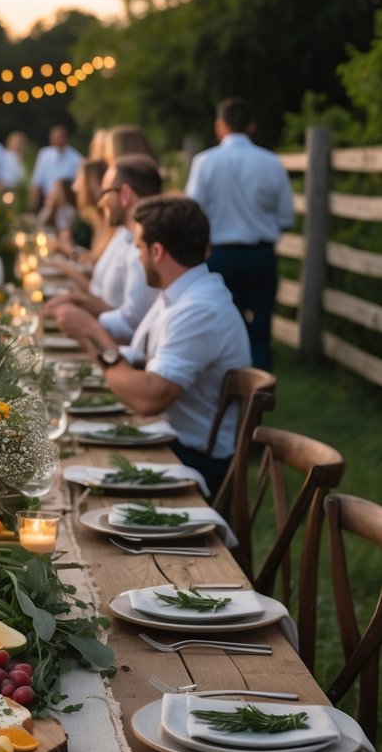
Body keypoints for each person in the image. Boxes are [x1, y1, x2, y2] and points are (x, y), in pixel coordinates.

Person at [85, 194, 252, 495]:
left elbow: (150, 398)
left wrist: (95, 337)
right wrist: (94, 341)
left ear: (157, 251)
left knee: (80, 466)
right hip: (170, 442)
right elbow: (139, 358)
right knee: (77, 451)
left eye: (139, 249)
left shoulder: (200, 309)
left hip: (194, 461)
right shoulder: (179, 294)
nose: (137, 258)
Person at [185, 96, 295, 370]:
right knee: (260, 330)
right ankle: (259, 397)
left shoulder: (205, 162)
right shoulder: (271, 162)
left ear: (220, 125)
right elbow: (286, 217)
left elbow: (192, 212)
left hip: (219, 255)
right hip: (260, 254)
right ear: (251, 126)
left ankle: (227, 393)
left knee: (221, 329)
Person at [47, 155, 161, 344]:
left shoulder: (142, 251)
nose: (101, 202)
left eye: (105, 192)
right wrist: (78, 300)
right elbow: (103, 297)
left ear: (125, 195)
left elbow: (134, 328)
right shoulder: (122, 236)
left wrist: (83, 318)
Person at [28, 124, 83, 211]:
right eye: (56, 137)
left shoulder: (76, 158)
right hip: (48, 204)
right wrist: (32, 207)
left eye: (61, 137)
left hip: (67, 205)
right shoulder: (44, 155)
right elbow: (37, 182)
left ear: (66, 138)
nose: (58, 140)